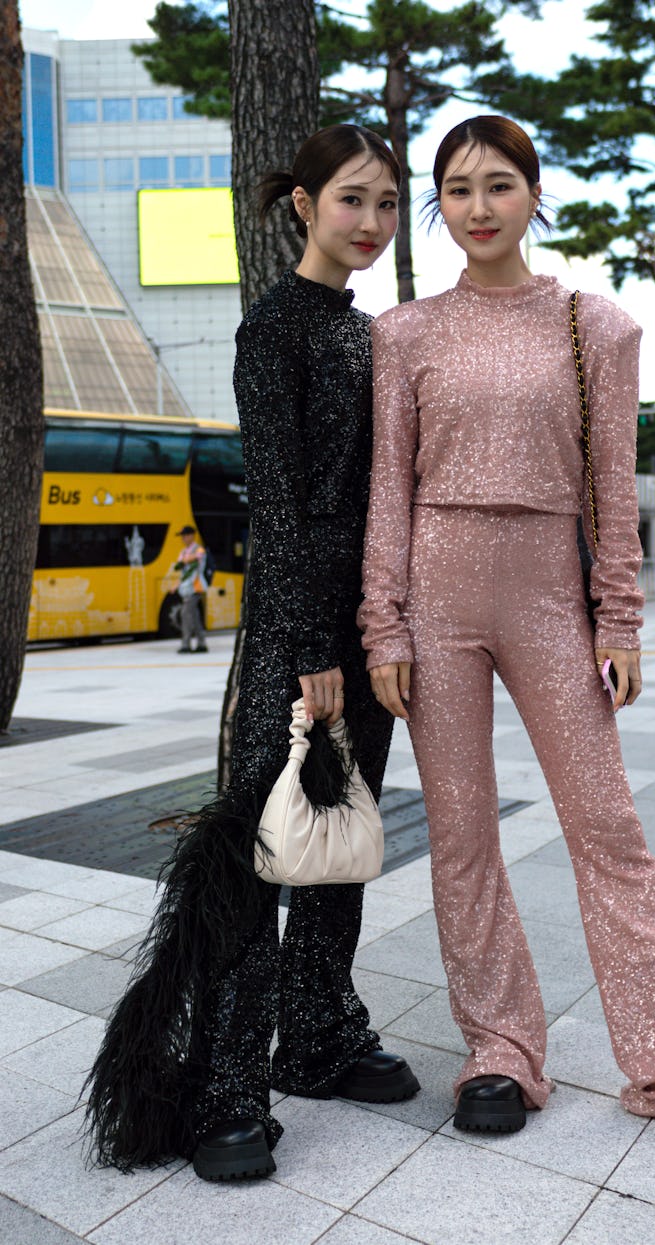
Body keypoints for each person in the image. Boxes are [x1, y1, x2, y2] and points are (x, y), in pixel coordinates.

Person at [359, 115, 655, 1141]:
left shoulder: (594, 327)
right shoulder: (406, 333)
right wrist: (383, 623)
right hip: (436, 595)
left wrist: (622, 616)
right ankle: (499, 1053)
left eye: (499, 185)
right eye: (458, 189)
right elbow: (389, 483)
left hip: (550, 597)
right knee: (461, 839)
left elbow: (611, 483)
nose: (478, 208)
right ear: (440, 203)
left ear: (534, 195)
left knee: (607, 826)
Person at [84, 124, 419, 1183]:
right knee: (261, 854)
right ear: (303, 205)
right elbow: (278, 500)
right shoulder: (271, 331)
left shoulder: (374, 335)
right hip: (296, 634)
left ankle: (319, 1038)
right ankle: (229, 1088)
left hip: (368, 629)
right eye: (350, 201)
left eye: (385, 205)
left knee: (339, 841)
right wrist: (314, 644)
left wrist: (380, 628)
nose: (368, 223)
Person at [174, 525, 209, 653]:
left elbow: (198, 557)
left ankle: (186, 644)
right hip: (186, 588)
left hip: (196, 587)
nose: (183, 538)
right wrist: (176, 585)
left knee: (185, 614)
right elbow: (181, 569)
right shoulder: (184, 552)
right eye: (182, 536)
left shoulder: (198, 549)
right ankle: (201, 643)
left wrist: (184, 560)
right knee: (194, 616)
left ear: (191, 536)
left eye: (185, 535)